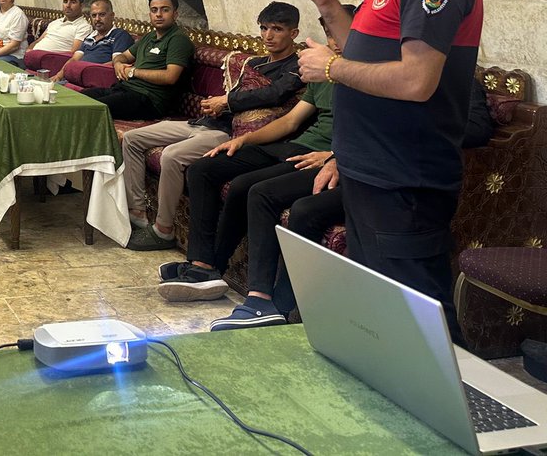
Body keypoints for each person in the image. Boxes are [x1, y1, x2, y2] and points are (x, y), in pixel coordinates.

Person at [299, 0, 483, 341]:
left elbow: (415, 81)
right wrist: (327, 5)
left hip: (405, 177)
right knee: (382, 310)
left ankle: (459, 388)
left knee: (418, 318)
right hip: (371, 169)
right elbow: (365, 52)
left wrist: (331, 68)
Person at [211, 67, 494, 332]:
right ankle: (262, 300)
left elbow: (478, 128)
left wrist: (407, 131)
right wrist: (338, 156)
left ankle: (282, 306)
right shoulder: (391, 75)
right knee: (274, 197)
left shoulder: (458, 79)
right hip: (358, 170)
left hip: (402, 183)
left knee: (305, 210)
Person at [156, 10, 342, 303]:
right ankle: (202, 264)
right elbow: (290, 121)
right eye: (331, 34)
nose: (336, 41)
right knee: (203, 169)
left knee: (247, 187)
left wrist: (333, 155)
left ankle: (227, 275)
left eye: (343, 34)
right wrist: (243, 140)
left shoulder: (364, 78)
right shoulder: (323, 72)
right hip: (294, 145)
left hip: (318, 155)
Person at [122, 1, 304, 251]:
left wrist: (226, 101)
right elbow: (240, 95)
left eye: (277, 29)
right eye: (264, 28)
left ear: (293, 33)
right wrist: (217, 105)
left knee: (171, 156)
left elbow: (274, 95)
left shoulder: (297, 67)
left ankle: (163, 230)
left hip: (229, 133)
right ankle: (137, 213)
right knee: (132, 139)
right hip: (207, 121)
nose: (268, 36)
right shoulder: (255, 64)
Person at [81, 0, 194, 120]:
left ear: (175, 14)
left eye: (165, 10)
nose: (158, 14)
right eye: (154, 10)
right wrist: (118, 63)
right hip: (124, 88)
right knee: (78, 99)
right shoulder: (149, 37)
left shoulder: (178, 39)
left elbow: (170, 77)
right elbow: (124, 56)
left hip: (148, 99)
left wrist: (133, 72)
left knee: (91, 109)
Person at [48, 0, 135, 82]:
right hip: (78, 76)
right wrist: (59, 75)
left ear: (112, 16)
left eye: (102, 15)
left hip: (97, 78)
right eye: (94, 15)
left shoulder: (120, 35)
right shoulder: (90, 36)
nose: (97, 19)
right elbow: (74, 59)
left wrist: (89, 70)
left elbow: (117, 63)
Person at [24, 0, 90, 64]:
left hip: (52, 62)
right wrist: (28, 51)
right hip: (31, 58)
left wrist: (41, 55)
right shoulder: (55, 22)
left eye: (73, 2)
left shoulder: (83, 27)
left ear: (81, 6)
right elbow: (38, 41)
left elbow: (74, 53)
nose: (68, 5)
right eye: (65, 1)